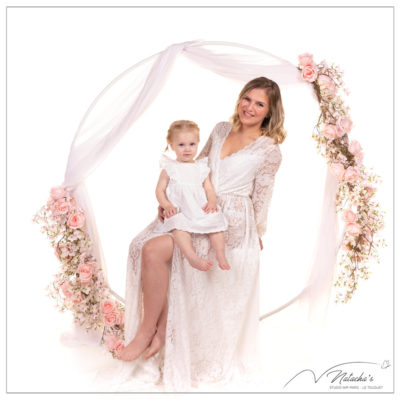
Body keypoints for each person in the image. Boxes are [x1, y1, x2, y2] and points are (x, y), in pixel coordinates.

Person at [119, 76, 285, 391]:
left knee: (163, 253)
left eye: (259, 104)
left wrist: (257, 233)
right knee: (144, 246)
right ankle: (154, 329)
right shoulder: (222, 129)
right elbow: (197, 168)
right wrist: (172, 199)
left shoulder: (269, 150)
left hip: (231, 220)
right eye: (247, 98)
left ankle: (152, 333)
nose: (249, 107)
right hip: (197, 205)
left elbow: (262, 196)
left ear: (269, 112)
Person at [153, 120, 230, 272]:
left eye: (192, 144)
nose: (187, 149)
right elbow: (159, 190)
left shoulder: (201, 167)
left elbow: (209, 188)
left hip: (199, 207)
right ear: (172, 145)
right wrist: (167, 205)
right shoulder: (170, 167)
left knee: (216, 221)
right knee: (178, 226)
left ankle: (221, 255)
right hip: (180, 209)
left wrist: (212, 201)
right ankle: (192, 257)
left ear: (198, 143)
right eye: (181, 145)